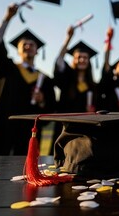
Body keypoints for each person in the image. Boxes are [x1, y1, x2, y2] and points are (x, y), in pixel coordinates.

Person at [0, 3, 56, 155]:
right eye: (24, 44)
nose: (28, 46)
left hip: (29, 132)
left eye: (32, 44)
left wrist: (42, 101)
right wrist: (7, 19)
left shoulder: (44, 79)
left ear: (37, 50)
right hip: (4, 126)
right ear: (18, 50)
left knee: (26, 173)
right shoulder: (8, 68)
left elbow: (50, 110)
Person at [49, 25, 98, 155]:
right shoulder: (67, 79)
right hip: (66, 127)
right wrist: (68, 39)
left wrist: (93, 111)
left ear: (89, 61)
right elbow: (59, 62)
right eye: (78, 57)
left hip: (86, 129)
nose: (82, 59)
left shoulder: (93, 86)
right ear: (73, 60)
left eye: (85, 57)